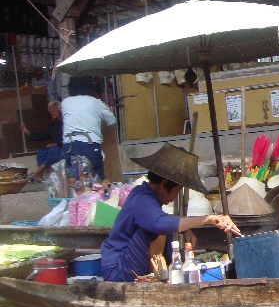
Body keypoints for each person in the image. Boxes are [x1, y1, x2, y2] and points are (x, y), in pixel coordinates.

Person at [100, 144, 240, 282]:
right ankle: (155, 280)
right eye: (176, 191)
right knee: (159, 232)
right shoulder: (142, 198)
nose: (174, 197)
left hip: (123, 262)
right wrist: (208, 219)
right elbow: (159, 224)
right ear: (164, 184)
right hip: (117, 269)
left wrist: (186, 228)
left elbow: (161, 219)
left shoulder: (146, 196)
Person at [61, 76, 117, 180]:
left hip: (69, 145)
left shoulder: (65, 103)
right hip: (90, 144)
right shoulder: (95, 102)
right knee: (95, 178)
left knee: (73, 179)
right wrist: (108, 109)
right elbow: (111, 121)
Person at [20, 100, 63, 181]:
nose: (52, 112)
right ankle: (40, 175)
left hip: (63, 147)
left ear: (60, 110)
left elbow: (67, 137)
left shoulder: (65, 122)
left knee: (54, 150)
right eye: (50, 110)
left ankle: (36, 173)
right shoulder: (54, 124)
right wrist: (27, 132)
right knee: (41, 152)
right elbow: (44, 135)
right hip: (55, 148)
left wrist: (56, 144)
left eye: (54, 109)